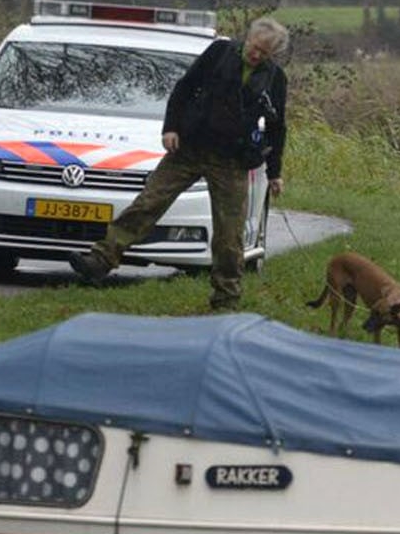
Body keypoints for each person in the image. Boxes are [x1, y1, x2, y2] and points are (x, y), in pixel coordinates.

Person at [69, 16, 290, 312]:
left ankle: (226, 298)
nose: (255, 54)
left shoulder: (276, 79)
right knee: (148, 203)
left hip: (231, 161)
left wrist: (275, 173)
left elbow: (277, 128)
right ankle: (100, 260)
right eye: (254, 46)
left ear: (271, 54)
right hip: (189, 148)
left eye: (264, 52)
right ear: (247, 38)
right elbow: (184, 89)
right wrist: (170, 128)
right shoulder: (219, 53)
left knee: (229, 234)